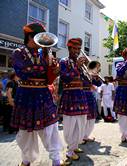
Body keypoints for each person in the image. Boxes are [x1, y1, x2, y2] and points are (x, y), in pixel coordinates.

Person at [11, 22, 67, 166]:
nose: (43, 41)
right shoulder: (18, 52)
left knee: (51, 128)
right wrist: (42, 66)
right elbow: (22, 72)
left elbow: (49, 79)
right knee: (25, 132)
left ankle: (56, 160)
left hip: (43, 94)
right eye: (39, 37)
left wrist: (53, 68)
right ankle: (26, 160)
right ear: (30, 37)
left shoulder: (45, 55)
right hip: (26, 96)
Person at [58, 38, 89, 160]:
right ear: (69, 49)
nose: (77, 51)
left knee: (81, 123)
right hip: (70, 95)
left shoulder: (80, 64)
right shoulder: (64, 62)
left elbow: (87, 80)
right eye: (74, 48)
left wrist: (88, 70)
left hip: (80, 95)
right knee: (70, 124)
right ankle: (69, 151)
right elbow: (66, 78)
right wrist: (77, 66)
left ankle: (75, 145)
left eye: (78, 49)